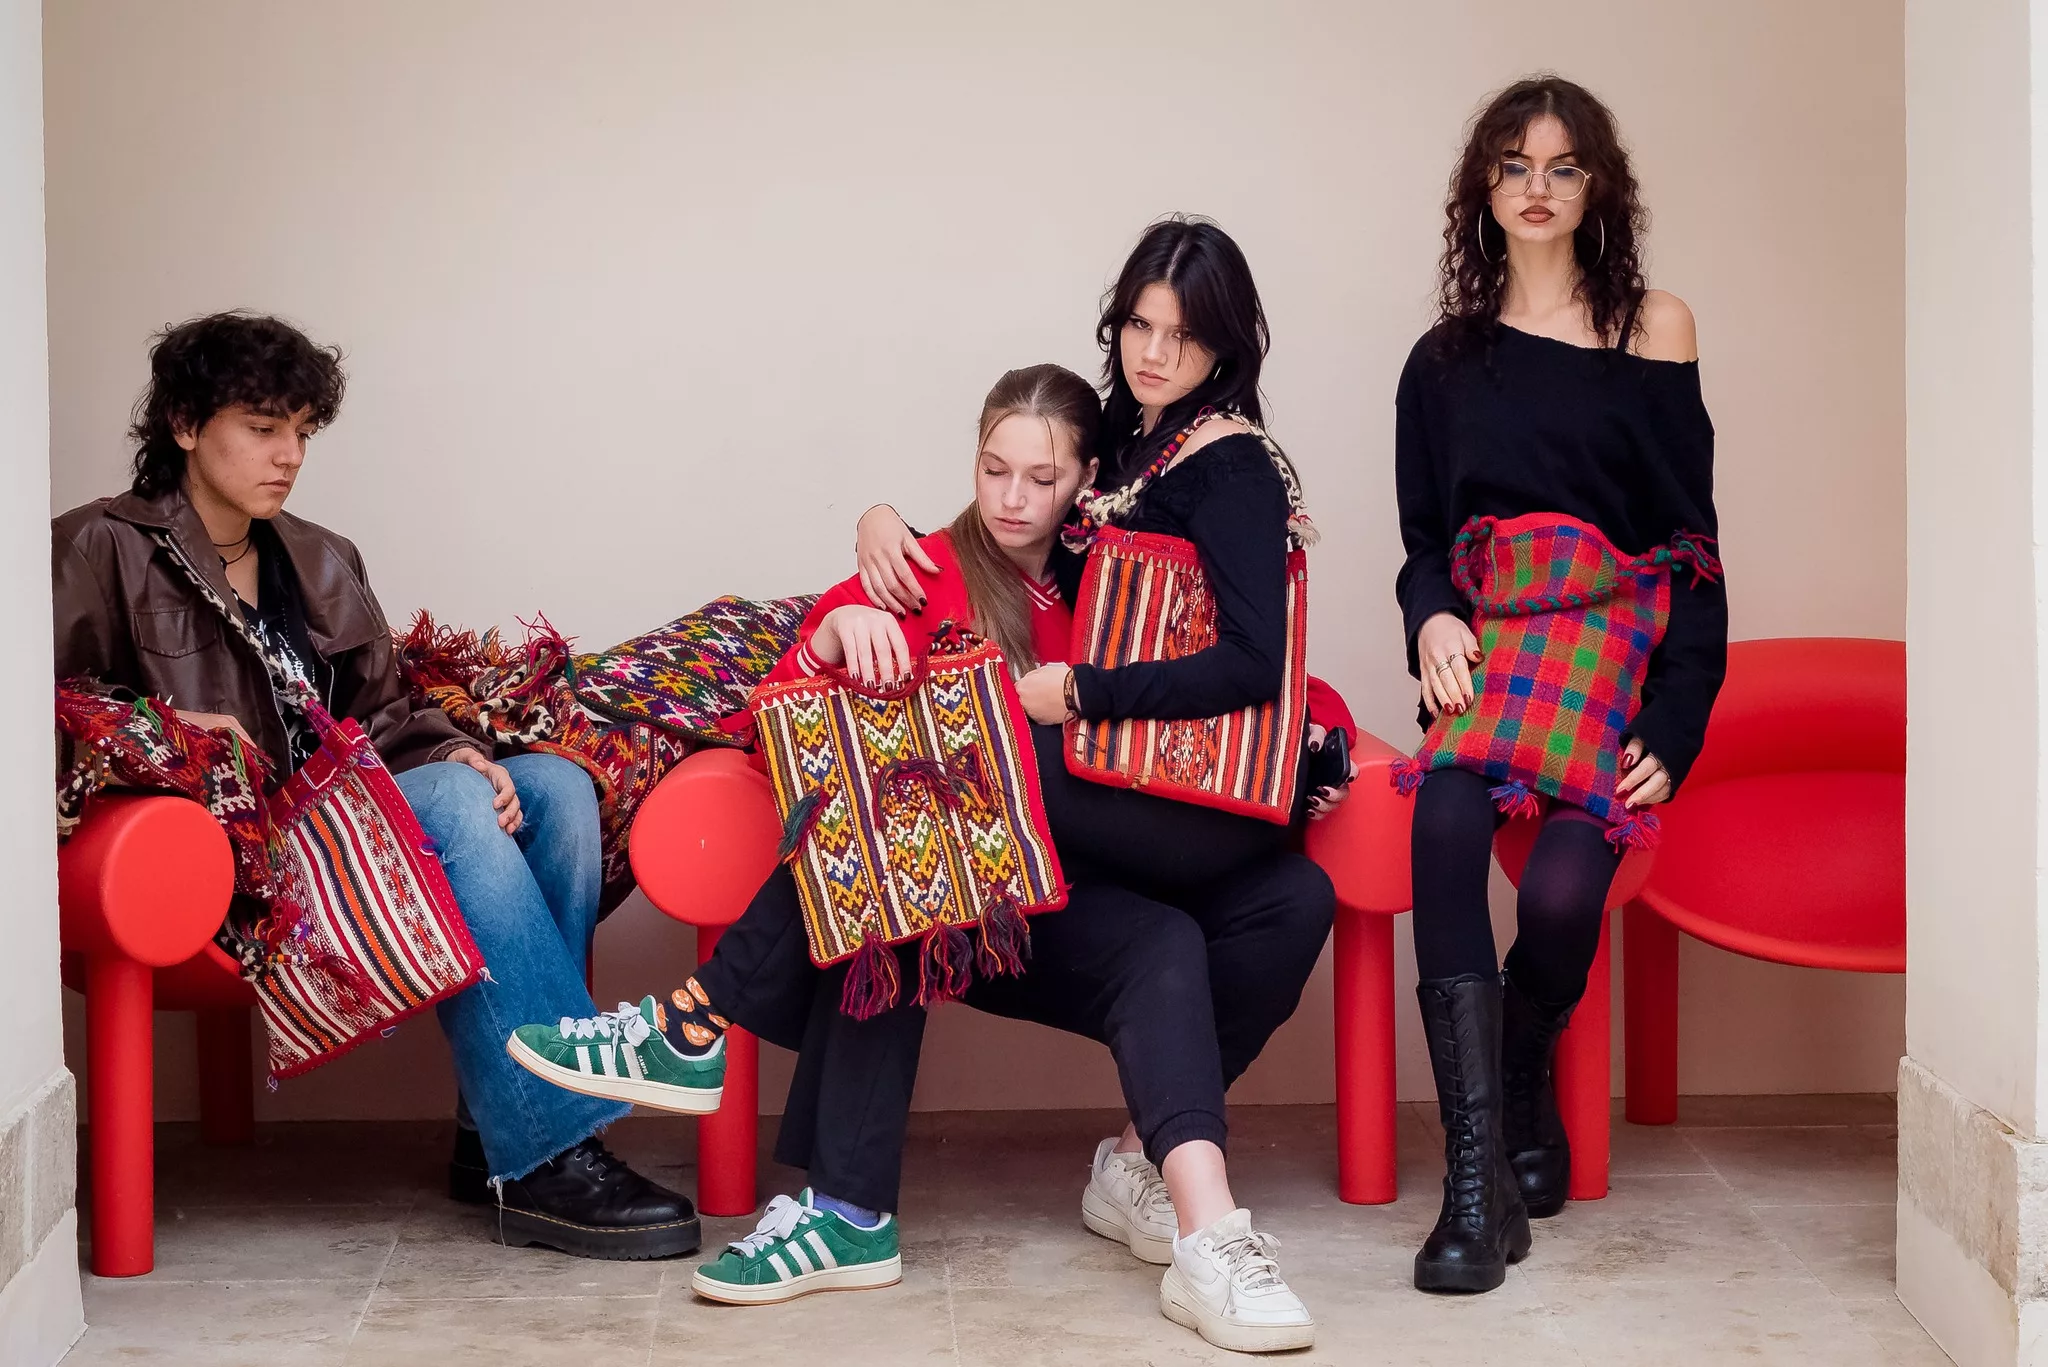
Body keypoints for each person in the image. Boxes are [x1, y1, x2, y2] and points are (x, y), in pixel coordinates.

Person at [515, 332, 1337, 1351]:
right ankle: (830, 1194)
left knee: (1217, 922)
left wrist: (1315, 740)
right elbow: (792, 730)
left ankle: (1141, 1173)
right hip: (954, 899)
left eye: (1041, 477)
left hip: (1078, 893)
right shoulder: (924, 570)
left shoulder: (1114, 581)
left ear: (1087, 481)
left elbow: (1241, 678)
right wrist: (830, 636)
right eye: (993, 469)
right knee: (915, 834)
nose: (1012, 498)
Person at [50, 311, 697, 1261]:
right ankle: (553, 1146)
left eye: (302, 431)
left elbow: (384, 719)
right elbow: (45, 712)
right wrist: (170, 728)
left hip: (350, 830)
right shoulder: (96, 547)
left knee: (553, 789)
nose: (289, 456)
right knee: (454, 809)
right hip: (242, 858)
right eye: (262, 428)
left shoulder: (320, 557)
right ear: (184, 424)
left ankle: (493, 1132)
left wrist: (455, 756)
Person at [1394, 77, 1727, 1293]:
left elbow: (1690, 548)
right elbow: (1423, 544)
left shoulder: (1654, 330)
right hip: (1492, 653)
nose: (1535, 188)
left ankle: (1522, 1074)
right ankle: (1473, 1184)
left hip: (1609, 658)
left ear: (1597, 188)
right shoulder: (1440, 362)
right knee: (1438, 822)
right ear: (1480, 187)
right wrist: (1430, 614)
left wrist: (1675, 721)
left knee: (1558, 899)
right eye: (1512, 165)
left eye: (1562, 166)